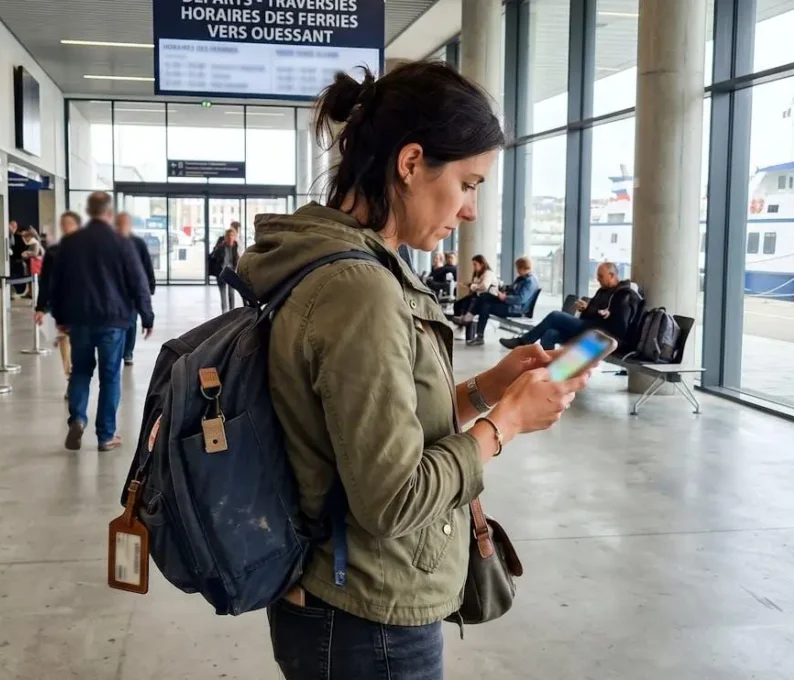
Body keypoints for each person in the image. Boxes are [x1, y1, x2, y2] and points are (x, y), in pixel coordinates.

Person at [237, 62, 591, 680]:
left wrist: (488, 388)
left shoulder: (333, 260)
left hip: (341, 602)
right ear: (410, 163)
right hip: (366, 618)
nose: (472, 210)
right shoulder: (359, 288)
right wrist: (506, 423)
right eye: (468, 183)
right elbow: (393, 500)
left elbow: (368, 430)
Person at [49, 193, 154, 452]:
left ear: (88, 211)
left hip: (80, 320)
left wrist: (61, 317)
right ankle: (106, 435)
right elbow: (138, 282)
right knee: (110, 377)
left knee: (81, 371)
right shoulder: (121, 243)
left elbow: (57, 284)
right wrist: (146, 315)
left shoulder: (70, 244)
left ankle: (78, 419)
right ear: (109, 213)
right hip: (113, 321)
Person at [499, 262, 639, 350]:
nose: (598, 279)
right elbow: (594, 312)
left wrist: (591, 309)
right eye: (597, 276)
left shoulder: (623, 295)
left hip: (600, 333)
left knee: (555, 316)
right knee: (550, 334)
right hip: (588, 326)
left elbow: (617, 326)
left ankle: (524, 341)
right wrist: (585, 308)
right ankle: (549, 372)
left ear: (612, 275)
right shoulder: (603, 291)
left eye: (601, 276)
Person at [35, 211, 83, 379]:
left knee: (79, 342)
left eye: (69, 224)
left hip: (85, 304)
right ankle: (69, 373)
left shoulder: (89, 251)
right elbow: (45, 280)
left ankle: (77, 372)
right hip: (62, 305)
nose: (65, 228)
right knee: (64, 338)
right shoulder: (54, 251)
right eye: (63, 224)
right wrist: (40, 307)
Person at [464, 256, 539, 346]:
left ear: (523, 268)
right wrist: (502, 289)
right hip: (509, 304)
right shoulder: (521, 278)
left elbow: (521, 299)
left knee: (485, 306)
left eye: (518, 268)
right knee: (484, 296)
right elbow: (512, 288)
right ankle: (472, 323)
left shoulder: (530, 281)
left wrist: (505, 298)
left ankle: (471, 323)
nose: (517, 271)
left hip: (516, 309)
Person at [114, 212, 157, 366]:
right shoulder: (109, 244)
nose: (121, 227)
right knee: (118, 324)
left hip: (132, 292)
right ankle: (118, 352)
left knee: (131, 323)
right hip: (115, 292)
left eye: (124, 224)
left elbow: (146, 266)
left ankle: (127, 352)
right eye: (119, 224)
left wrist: (150, 286)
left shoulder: (137, 243)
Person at [448, 253, 497, 324]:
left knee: (471, 301)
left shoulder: (488, 273)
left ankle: (465, 319)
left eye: (475, 264)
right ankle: (462, 318)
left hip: (487, 297)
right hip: (479, 295)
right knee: (459, 303)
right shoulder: (478, 274)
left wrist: (472, 286)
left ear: (482, 264)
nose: (474, 267)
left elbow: (484, 286)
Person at [208, 226, 242, 313]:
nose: (230, 238)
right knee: (223, 293)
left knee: (231, 293)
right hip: (221, 272)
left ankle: (232, 311)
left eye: (232, 236)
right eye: (228, 236)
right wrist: (218, 249)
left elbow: (238, 260)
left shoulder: (236, 247)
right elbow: (214, 258)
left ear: (234, 237)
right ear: (225, 237)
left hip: (231, 272)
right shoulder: (220, 247)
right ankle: (224, 312)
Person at [8, 221, 28, 297]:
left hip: (17, 262)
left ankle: (18, 292)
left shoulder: (19, 237)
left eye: (15, 226)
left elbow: (23, 248)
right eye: (12, 225)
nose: (13, 228)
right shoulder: (5, 236)